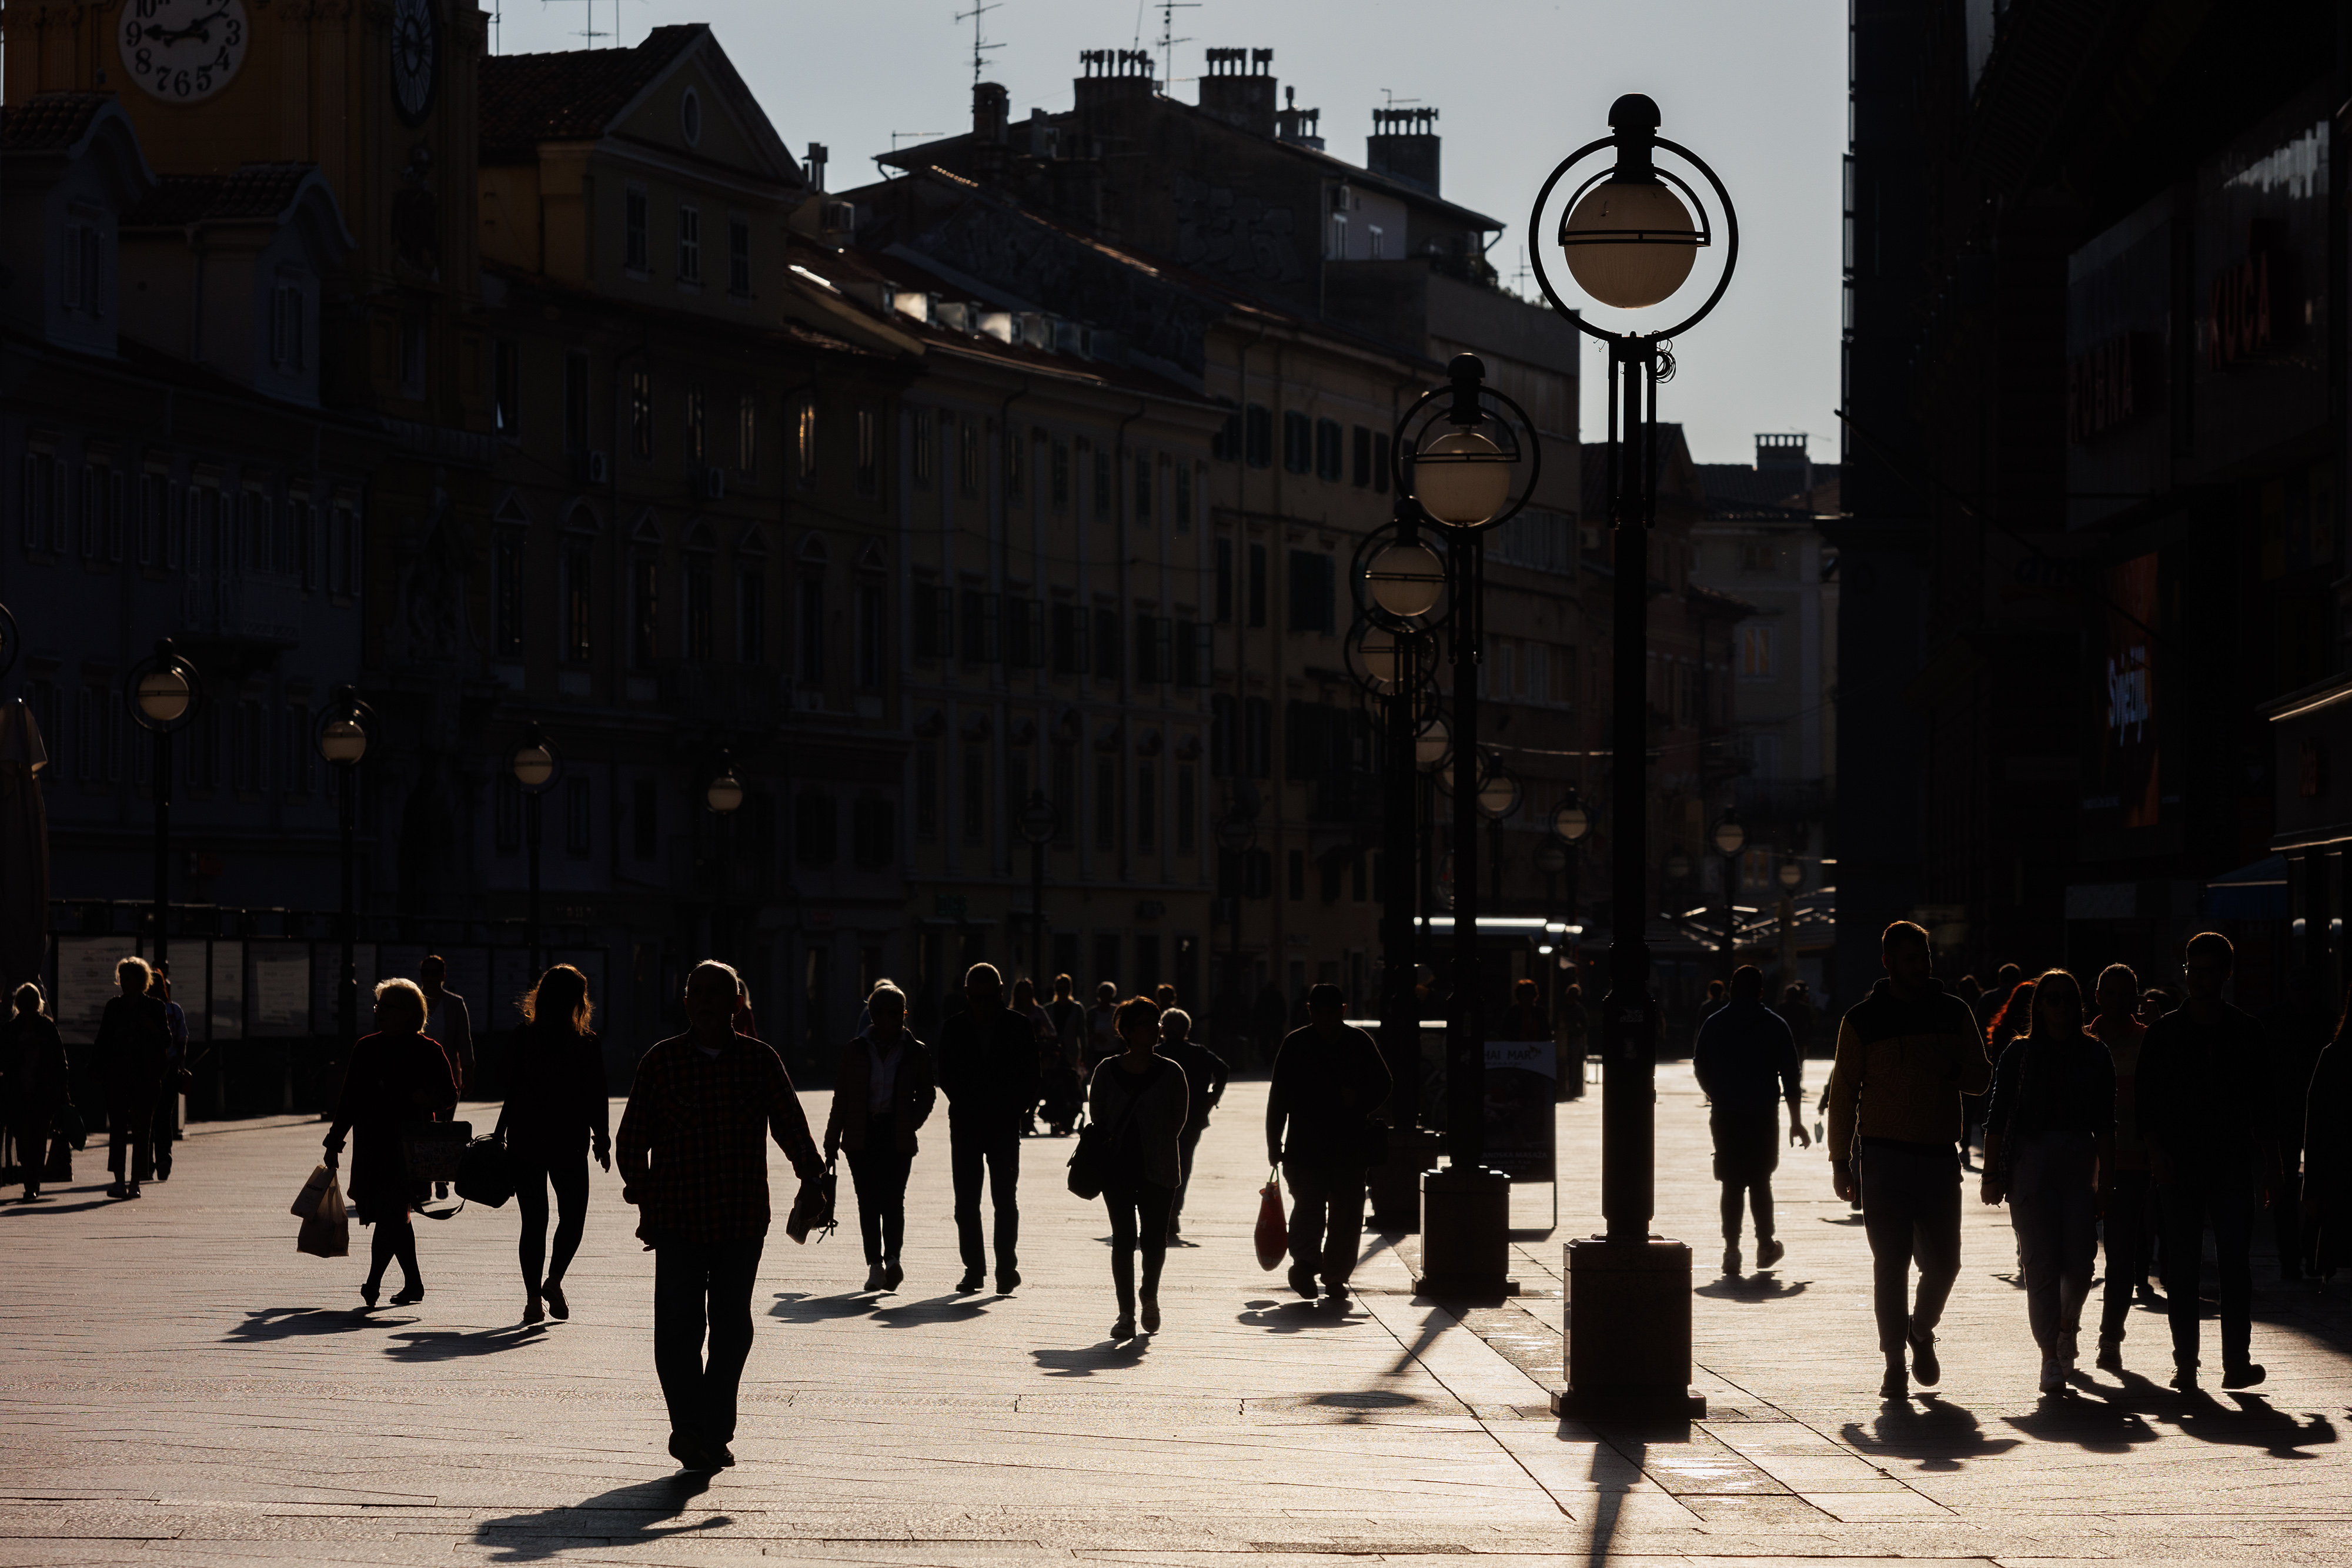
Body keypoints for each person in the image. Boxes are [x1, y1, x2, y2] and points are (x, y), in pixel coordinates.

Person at [616, 959, 823, 1472]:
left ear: (737, 1004)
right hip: (678, 1219)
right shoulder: (661, 1062)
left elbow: (791, 1125)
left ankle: (714, 1427)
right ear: (686, 1003)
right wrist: (644, 1196)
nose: (707, 1001)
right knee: (678, 1328)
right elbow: (631, 1140)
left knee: (732, 1327)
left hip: (740, 1218)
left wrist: (812, 1176)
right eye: (698, 992)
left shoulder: (759, 1060)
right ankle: (689, 1427)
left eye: (718, 993)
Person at [1825, 921, 1992, 1399]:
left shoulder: (1954, 1011)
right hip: (1883, 1157)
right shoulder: (1861, 1020)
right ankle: (1894, 1361)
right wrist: (1841, 1160)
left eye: (1925, 956)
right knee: (1891, 1262)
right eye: (1911, 957)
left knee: (1946, 1264)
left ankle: (1920, 1328)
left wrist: (1953, 1069)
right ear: (1888, 963)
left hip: (1940, 1157)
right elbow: (1843, 1094)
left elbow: (1982, 1077)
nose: (1921, 965)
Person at [2137, 931, 2281, 1391]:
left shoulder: (2246, 1031)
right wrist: (2157, 1151)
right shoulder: (2164, 1034)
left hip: (2230, 1162)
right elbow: (2146, 1102)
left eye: (2206, 970)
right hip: (2180, 1163)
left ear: (2225, 973)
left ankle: (2235, 1362)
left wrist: (2273, 1167)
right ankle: (2187, 1363)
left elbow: (2265, 1106)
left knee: (2233, 1263)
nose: (2198, 978)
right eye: (2191, 969)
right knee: (2182, 1264)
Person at [1980, 970, 2114, 1393]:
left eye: (2067, 999)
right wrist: (1991, 1174)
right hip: (2030, 1160)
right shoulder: (2019, 1054)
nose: (2060, 1006)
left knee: (2080, 1264)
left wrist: (2107, 1179)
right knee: (2040, 1263)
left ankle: (2066, 1326)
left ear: (2079, 1005)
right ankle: (2049, 1357)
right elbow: (1997, 1115)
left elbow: (2106, 1123)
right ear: (2038, 1006)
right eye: (2051, 999)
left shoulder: (2095, 1054)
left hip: (2078, 1158)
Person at [323, 979, 460, 1309]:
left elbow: (449, 1094)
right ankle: (413, 1284)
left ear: (409, 1014)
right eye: (378, 1007)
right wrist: (334, 1141)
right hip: (373, 1144)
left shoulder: (429, 1050)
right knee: (395, 1214)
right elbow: (350, 1099)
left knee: (392, 1212)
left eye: (387, 1008)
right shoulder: (366, 1048)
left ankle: (373, 1282)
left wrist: (425, 1097)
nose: (379, 1014)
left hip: (412, 1149)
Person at [495, 965, 612, 1324]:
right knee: (573, 1217)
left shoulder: (523, 1036)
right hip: (569, 1140)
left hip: (526, 1138)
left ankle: (533, 1300)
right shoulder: (586, 1042)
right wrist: (602, 1139)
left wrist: (500, 1133)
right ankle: (554, 1281)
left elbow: (509, 1088)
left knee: (534, 1222)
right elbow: (597, 1094)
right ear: (579, 1000)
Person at [1267, 982, 1394, 1302]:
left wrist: (1359, 1100)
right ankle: (1307, 1265)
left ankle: (1335, 1275)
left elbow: (1384, 1083)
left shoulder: (1358, 1042)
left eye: (1331, 1012)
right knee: (1310, 1209)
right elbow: (1278, 1098)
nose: (1324, 1018)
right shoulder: (1296, 1044)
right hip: (1305, 1148)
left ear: (1343, 1011)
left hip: (1349, 1147)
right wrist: (1273, 1142)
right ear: (1309, 1011)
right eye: (1318, 1011)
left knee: (1347, 1215)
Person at [1693, 965, 1810, 1276]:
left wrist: (1715, 1092)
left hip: (1726, 1113)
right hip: (1762, 1114)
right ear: (1761, 992)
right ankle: (1765, 1245)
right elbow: (1791, 1076)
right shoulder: (1775, 1025)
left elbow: (1699, 1062)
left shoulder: (1714, 1023)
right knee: (1760, 1180)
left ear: (1731, 989)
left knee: (1731, 1183)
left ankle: (1731, 1251)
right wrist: (1796, 1122)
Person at [934, 963, 1040, 1294]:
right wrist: (968, 1102)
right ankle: (974, 1270)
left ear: (1000, 993)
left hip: (1004, 1125)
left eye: (988, 998)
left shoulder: (1018, 1026)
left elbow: (1031, 1074)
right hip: (966, 1124)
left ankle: (1006, 1268)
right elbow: (946, 1075)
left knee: (1004, 1199)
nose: (982, 1005)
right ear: (967, 996)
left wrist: (1018, 1109)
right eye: (976, 998)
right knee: (966, 1201)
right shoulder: (954, 1028)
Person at [824, 981, 936, 1293]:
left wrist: (911, 1122)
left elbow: (927, 1093)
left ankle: (893, 1259)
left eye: (898, 1013)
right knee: (868, 1202)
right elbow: (841, 1098)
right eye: (885, 1014)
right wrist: (831, 1142)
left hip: (897, 1133)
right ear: (872, 1015)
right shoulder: (855, 1050)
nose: (893, 1020)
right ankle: (875, 1265)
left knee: (893, 1199)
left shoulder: (916, 1052)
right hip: (862, 1134)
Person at [1088, 996, 1188, 1339]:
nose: (1153, 1028)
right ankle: (1126, 1313)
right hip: (1116, 1167)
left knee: (1155, 1241)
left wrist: (1156, 1144)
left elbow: (1179, 1120)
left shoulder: (1172, 1072)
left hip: (1159, 1168)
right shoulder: (1106, 1070)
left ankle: (1149, 1294)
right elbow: (1097, 1116)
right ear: (1127, 1031)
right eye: (1145, 1022)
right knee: (1123, 1239)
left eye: (1155, 1021)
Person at [2089, 963, 2153, 1369]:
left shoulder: (2148, 1042)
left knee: (2121, 1256)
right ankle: (2066, 1328)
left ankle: (2110, 1335)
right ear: (2097, 996)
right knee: (2075, 1257)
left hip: (2131, 1162)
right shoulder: (2080, 1041)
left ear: (2134, 997)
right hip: (2082, 1164)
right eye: (2107, 992)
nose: (2114, 1000)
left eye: (2122, 992)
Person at [93, 956, 170, 1200]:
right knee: (117, 1129)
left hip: (145, 1077)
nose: (124, 982)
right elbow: (102, 1040)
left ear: (141, 981)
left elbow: (167, 1041)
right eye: (122, 978)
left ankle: (135, 1181)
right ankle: (118, 1181)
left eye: (128, 978)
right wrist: (95, 1069)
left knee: (141, 1131)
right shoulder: (113, 1006)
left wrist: (152, 1028)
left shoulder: (155, 1008)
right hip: (117, 1076)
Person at [1157, 1007, 1227, 1243]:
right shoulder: (1199, 1052)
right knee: (1183, 1165)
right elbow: (1223, 1069)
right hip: (1193, 1117)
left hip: (1160, 1119)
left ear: (1163, 1029)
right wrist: (1213, 1097)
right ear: (1187, 1029)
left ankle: (1161, 1211)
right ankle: (1173, 1213)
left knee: (1158, 1163)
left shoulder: (1157, 1053)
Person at [4, 984, 71, 1203]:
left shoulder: (44, 1028)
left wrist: (62, 1092)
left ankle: (31, 1183)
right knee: (27, 1140)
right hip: (22, 1093)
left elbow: (60, 1063)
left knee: (35, 1137)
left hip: (40, 1094)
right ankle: (31, 1178)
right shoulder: (13, 1030)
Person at [2303, 999, 2352, 1282]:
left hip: (2343, 1174)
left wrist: (2312, 1187)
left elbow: (2317, 1126)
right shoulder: (2336, 1056)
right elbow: (2318, 1125)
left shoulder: (2335, 1055)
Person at [145, 971, 188, 1181]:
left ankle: (147, 1162)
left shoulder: (144, 1009)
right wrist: (178, 1063)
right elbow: (182, 1041)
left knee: (146, 1116)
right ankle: (164, 1158)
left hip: (147, 1069)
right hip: (170, 1069)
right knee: (164, 1116)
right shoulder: (175, 1009)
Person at [417, 955, 476, 1095]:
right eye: (425, 972)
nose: (430, 977)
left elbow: (464, 1042)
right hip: (417, 1074)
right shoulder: (412, 1001)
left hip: (447, 1074)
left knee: (445, 1115)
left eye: (435, 973)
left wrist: (468, 1074)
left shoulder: (454, 1004)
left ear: (443, 976)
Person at [1043, 975, 1085, 1066]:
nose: (1062, 992)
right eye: (1059, 989)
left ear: (1070, 989)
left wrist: (1084, 1055)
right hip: (1052, 1054)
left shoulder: (1077, 1008)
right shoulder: (1048, 1009)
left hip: (1071, 1053)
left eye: (1065, 988)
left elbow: (1082, 1033)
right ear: (1055, 990)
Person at [1084, 981, 1122, 1069]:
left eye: (1109, 995)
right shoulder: (1091, 1014)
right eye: (1104, 995)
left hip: (1115, 1052)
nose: (1106, 998)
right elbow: (1085, 1035)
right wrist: (1094, 1038)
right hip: (1097, 1054)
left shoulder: (1117, 1011)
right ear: (1099, 996)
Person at [1497, 978, 1548, 1042]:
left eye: (1531, 994)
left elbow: (1547, 1033)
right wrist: (1519, 1037)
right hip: (1516, 1048)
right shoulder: (1512, 1013)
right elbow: (1504, 1033)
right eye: (1525, 994)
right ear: (1519, 996)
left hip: (1537, 1048)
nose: (1528, 998)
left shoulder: (1540, 1012)